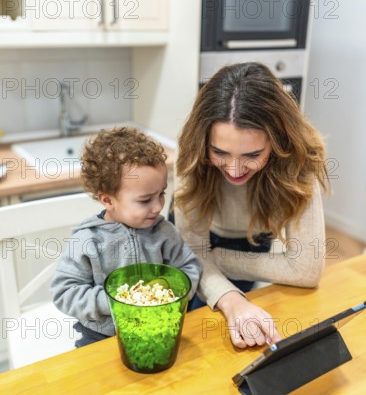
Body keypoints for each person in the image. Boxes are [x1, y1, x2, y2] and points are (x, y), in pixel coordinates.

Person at [172, 62, 329, 350]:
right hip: (202, 239)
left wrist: (213, 260)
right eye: (219, 152)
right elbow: (192, 252)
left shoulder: (299, 160)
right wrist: (229, 299)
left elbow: (306, 271)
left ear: (278, 140)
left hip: (251, 243)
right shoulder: (192, 154)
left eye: (252, 154)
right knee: (190, 329)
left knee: (234, 337)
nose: (233, 170)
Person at [51, 126, 202, 347]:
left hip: (158, 326)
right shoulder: (87, 241)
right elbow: (65, 292)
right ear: (108, 201)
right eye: (145, 200)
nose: (158, 207)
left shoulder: (164, 231)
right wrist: (113, 302)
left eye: (161, 194)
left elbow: (189, 266)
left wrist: (171, 292)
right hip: (102, 335)